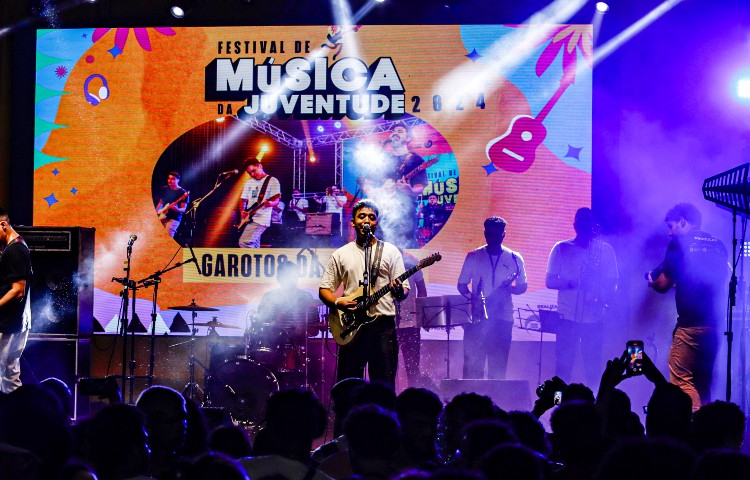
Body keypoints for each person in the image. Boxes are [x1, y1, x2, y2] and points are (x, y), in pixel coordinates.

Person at [319, 199, 409, 387]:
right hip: (351, 325)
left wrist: (399, 290)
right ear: (353, 222)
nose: (366, 220)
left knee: (384, 386)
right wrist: (337, 303)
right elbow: (324, 289)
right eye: (361, 216)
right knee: (348, 386)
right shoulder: (341, 254)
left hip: (383, 326)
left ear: (376, 223)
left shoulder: (391, 252)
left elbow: (404, 291)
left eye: (371, 217)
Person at [647, 202, 727, 410]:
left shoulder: (679, 244)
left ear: (682, 221)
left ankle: (692, 429)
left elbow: (663, 285)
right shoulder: (719, 245)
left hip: (690, 327)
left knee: (682, 382)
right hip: (714, 327)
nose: (670, 233)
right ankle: (709, 432)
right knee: (704, 383)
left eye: (671, 226)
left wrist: (651, 281)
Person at [546, 207, 618, 387]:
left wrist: (601, 298)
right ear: (574, 225)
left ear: (592, 225)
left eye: (587, 222)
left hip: (594, 318)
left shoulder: (605, 250)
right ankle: (557, 407)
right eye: (580, 222)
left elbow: (613, 283)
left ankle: (595, 408)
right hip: (567, 317)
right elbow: (550, 281)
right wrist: (573, 282)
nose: (583, 226)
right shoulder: (561, 248)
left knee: (593, 369)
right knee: (562, 370)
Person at [457, 217, 527, 379]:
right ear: (484, 233)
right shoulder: (473, 255)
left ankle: (496, 402)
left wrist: (509, 289)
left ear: (503, 235)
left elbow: (522, 286)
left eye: (496, 234)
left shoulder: (515, 258)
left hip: (502, 320)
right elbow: (462, 285)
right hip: (477, 319)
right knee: (472, 370)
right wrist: (474, 299)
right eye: (489, 234)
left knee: (498, 370)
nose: (492, 237)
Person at [364, 123, 427, 248]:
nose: (395, 133)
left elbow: (420, 187)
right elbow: (367, 185)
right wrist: (378, 191)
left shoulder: (416, 160)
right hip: (381, 212)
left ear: (408, 138)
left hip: (404, 213)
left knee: (403, 248)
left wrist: (410, 190)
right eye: (393, 131)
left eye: (400, 131)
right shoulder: (384, 160)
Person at [0, 206, 32, 393]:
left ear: (3, 225)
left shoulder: (16, 251)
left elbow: (18, 290)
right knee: (9, 377)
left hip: (8, 323)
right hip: (15, 322)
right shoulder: (14, 248)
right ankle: (17, 416)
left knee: (7, 375)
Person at [397, 249, 427, 386]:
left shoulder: (412, 261)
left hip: (411, 322)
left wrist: (422, 315)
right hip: (387, 322)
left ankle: (412, 401)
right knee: (388, 366)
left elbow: (422, 289)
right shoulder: (383, 259)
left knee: (413, 366)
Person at [238, 157, 281, 248]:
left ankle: (249, 262)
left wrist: (270, 204)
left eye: (254, 171)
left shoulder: (272, 181)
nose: (252, 174)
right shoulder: (249, 182)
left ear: (260, 166)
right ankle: (256, 262)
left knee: (244, 242)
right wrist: (242, 211)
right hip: (250, 218)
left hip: (261, 219)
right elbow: (242, 200)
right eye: (249, 173)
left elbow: (276, 200)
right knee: (254, 246)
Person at [155, 170, 189, 238]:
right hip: (162, 216)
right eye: (169, 178)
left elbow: (183, 209)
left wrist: (177, 209)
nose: (170, 181)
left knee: (167, 237)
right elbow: (161, 203)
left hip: (174, 218)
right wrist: (155, 213)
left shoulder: (183, 192)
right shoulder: (164, 189)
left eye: (173, 179)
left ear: (178, 180)